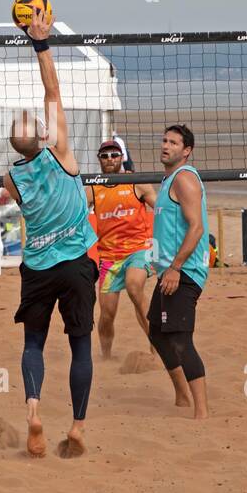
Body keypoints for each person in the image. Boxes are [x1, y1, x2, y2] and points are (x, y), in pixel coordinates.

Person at [0, 5, 98, 459]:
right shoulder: (61, 153)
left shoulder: (11, 178)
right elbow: (52, 88)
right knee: (80, 346)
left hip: (37, 266)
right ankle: (77, 427)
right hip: (75, 263)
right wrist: (40, 43)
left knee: (33, 343)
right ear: (42, 135)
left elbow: (22, 179)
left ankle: (34, 410)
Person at [149, 124, 209, 420]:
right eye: (164, 140)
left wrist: (174, 267)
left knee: (181, 339)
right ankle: (182, 395)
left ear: (186, 151)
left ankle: (201, 412)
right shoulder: (168, 179)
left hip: (184, 271)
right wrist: (158, 263)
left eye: (173, 142)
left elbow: (196, 228)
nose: (166, 146)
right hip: (169, 270)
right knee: (157, 332)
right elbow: (170, 227)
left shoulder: (184, 179)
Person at [85, 141, 160, 363]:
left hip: (138, 250)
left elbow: (163, 210)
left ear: (121, 158)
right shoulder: (92, 188)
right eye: (105, 156)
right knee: (107, 314)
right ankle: (106, 357)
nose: (110, 159)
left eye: (114, 155)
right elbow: (73, 212)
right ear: (99, 159)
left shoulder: (136, 182)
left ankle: (157, 349)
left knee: (134, 287)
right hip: (109, 257)